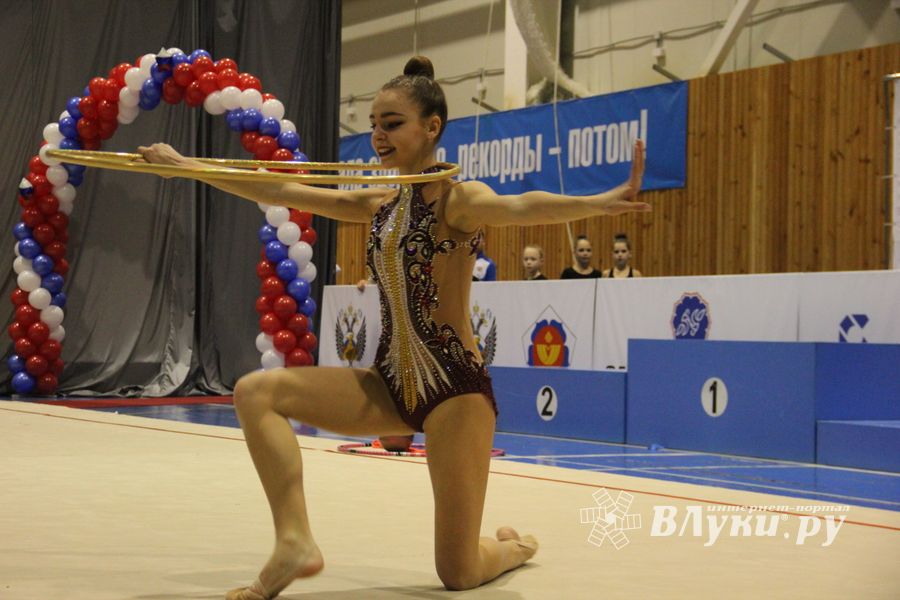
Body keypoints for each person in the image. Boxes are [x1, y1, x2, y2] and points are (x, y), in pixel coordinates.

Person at [138, 55, 647, 599]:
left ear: (432, 127)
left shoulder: (459, 200)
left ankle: (515, 547)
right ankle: (294, 540)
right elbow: (281, 192)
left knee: (458, 573)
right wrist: (187, 167)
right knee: (255, 393)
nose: (378, 135)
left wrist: (598, 202)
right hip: (390, 383)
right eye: (374, 124)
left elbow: (523, 206)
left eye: (393, 123)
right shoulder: (379, 203)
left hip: (455, 391)